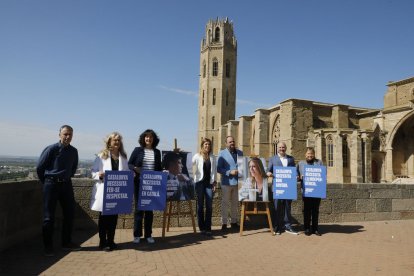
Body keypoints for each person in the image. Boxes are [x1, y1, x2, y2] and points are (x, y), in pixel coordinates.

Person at [36, 125, 79, 256]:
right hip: (51, 185)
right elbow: (40, 168)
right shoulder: (51, 149)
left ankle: (66, 243)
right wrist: (47, 182)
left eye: (70, 134)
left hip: (66, 185)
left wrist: (65, 178)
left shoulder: (74, 151)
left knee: (70, 214)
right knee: (49, 217)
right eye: (65, 134)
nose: (68, 136)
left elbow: (73, 168)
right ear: (59, 134)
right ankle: (48, 247)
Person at [90, 132, 129, 251]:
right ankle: (103, 242)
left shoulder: (123, 156)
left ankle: (111, 241)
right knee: (104, 219)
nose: (116, 142)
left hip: (117, 192)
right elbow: (93, 172)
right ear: (109, 142)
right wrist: (99, 175)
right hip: (105, 191)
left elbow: (126, 172)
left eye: (118, 140)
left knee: (114, 219)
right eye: (114, 140)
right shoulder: (102, 155)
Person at [128, 129, 162, 244]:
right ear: (143, 138)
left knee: (149, 210)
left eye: (151, 137)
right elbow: (129, 164)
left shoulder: (157, 152)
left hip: (152, 183)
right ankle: (137, 235)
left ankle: (148, 235)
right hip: (139, 182)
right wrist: (135, 169)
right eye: (146, 137)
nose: (148, 139)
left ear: (154, 139)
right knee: (139, 209)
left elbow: (159, 168)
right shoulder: (137, 150)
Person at [266, 141, 298, 235]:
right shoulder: (273, 159)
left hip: (288, 187)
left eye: (283, 147)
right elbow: (268, 170)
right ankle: (277, 227)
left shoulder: (291, 159)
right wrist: (268, 173)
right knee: (277, 208)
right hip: (278, 187)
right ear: (277, 148)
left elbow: (294, 170)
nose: (281, 149)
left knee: (287, 208)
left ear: (286, 148)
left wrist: (296, 175)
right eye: (280, 147)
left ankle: (288, 226)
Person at [217, 135, 243, 232]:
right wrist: (229, 172)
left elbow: (243, 165)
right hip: (226, 182)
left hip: (238, 182)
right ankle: (224, 223)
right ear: (226, 143)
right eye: (230, 142)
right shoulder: (222, 153)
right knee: (225, 203)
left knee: (235, 203)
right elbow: (219, 169)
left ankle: (234, 222)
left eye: (233, 141)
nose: (232, 143)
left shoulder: (240, 152)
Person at [192, 138, 217, 235]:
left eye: (209, 144)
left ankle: (208, 227)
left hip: (209, 184)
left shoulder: (213, 157)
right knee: (200, 206)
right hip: (199, 183)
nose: (207, 146)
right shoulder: (197, 156)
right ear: (202, 145)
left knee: (209, 206)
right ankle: (201, 227)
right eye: (205, 144)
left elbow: (214, 171)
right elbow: (188, 164)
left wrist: (214, 183)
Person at [297, 147, 323, 236]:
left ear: (314, 154)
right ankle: (307, 228)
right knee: (307, 211)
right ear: (305, 154)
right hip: (306, 191)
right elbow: (296, 175)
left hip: (317, 191)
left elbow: (323, 174)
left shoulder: (319, 162)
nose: (310, 155)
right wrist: (300, 177)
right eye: (308, 154)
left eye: (311, 154)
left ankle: (315, 229)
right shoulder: (300, 163)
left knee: (315, 211)